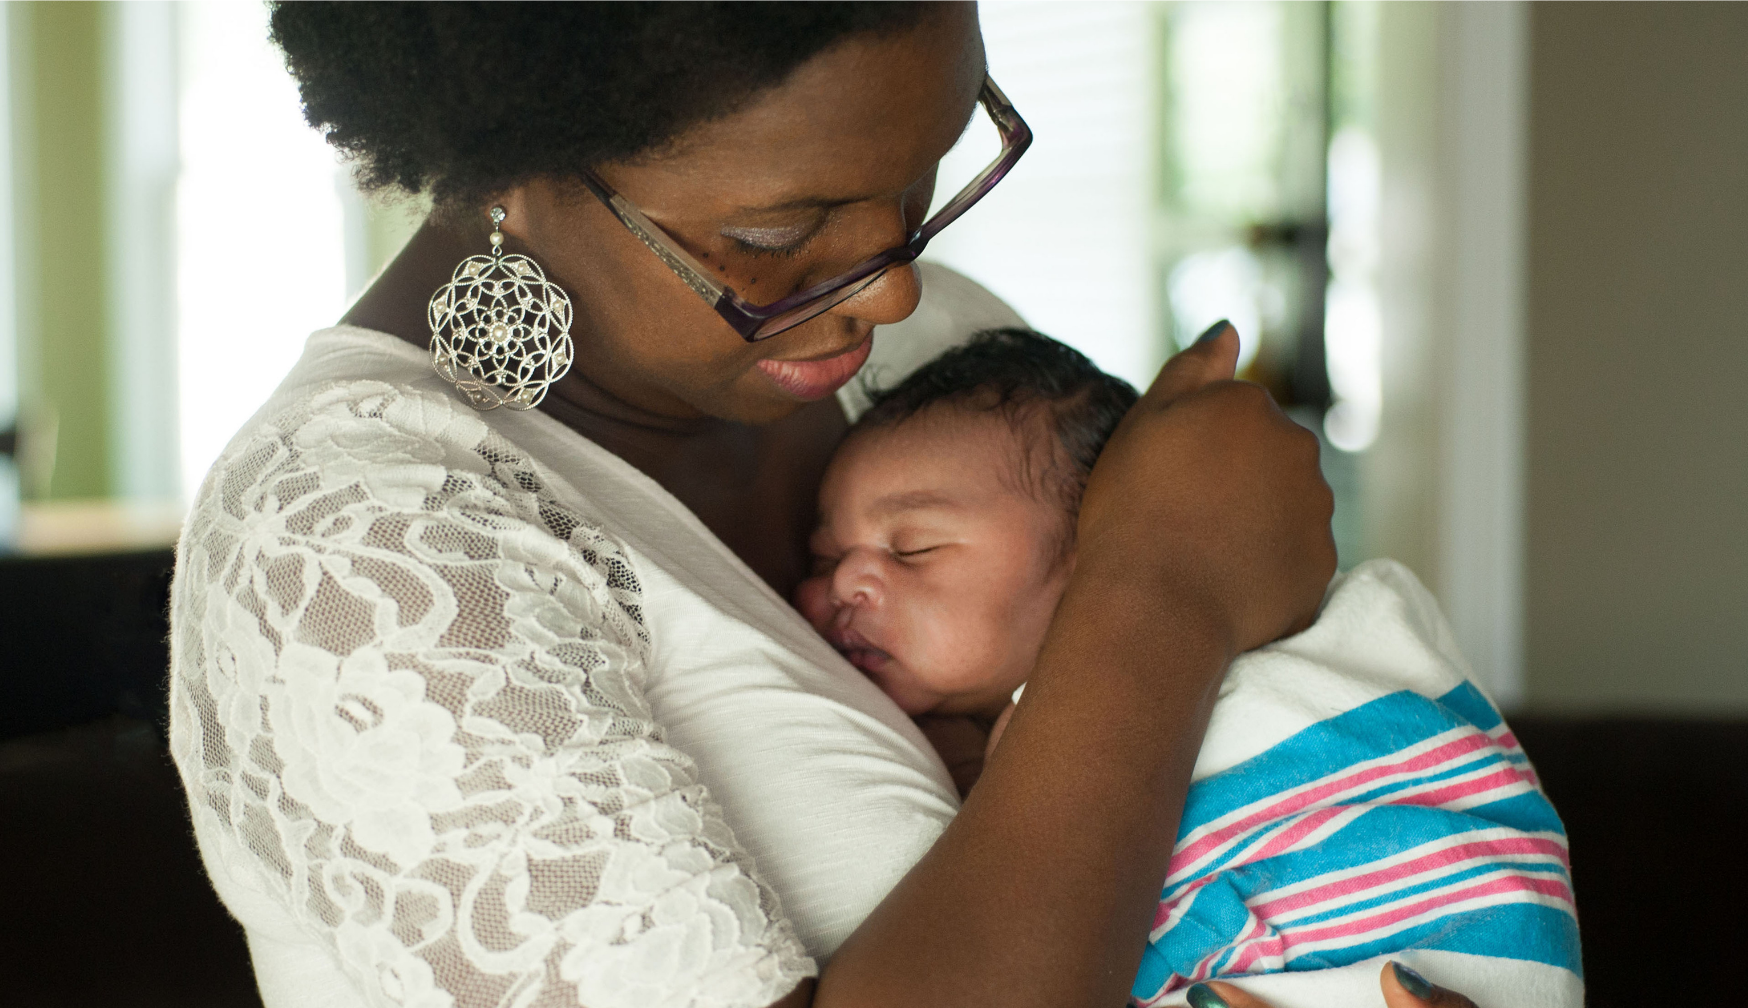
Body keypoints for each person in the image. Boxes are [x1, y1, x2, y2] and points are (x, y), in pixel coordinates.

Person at [166, 5, 1483, 1007]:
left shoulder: (930, 364)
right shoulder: (357, 552)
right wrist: (1161, 588)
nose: (889, 288)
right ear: (511, 165)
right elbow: (1158, 634)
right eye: (779, 231)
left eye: (926, 176)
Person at [795, 328, 1582, 1006]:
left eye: (914, 548)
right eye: (824, 557)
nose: (844, 584)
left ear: (1097, 554)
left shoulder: (1151, 680)